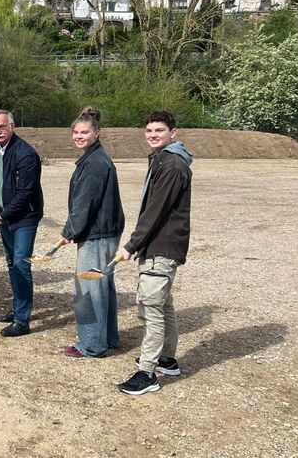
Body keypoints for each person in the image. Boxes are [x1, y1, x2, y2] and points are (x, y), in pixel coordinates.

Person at [116, 111, 192, 395]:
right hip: (161, 245)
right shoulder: (163, 159)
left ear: (174, 132)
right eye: (149, 130)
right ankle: (167, 358)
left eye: (159, 130)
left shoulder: (172, 165)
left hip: (162, 246)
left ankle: (147, 374)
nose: (152, 135)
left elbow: (155, 211)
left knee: (151, 308)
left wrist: (130, 245)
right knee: (164, 304)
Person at [58, 107, 124, 358]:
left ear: (97, 133)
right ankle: (108, 337)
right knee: (102, 284)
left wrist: (69, 231)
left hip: (97, 234)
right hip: (104, 232)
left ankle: (92, 345)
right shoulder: (94, 158)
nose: (79, 136)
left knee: (88, 289)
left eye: (84, 132)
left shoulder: (95, 163)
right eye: (75, 132)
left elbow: (84, 203)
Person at [0, 110, 44, 337]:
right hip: (7, 214)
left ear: (12, 126)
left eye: (2, 127)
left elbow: (24, 193)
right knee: (11, 263)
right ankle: (17, 307)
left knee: (21, 264)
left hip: (24, 217)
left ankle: (22, 319)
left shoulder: (26, 154)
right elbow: (1, 180)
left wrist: (0, 218)